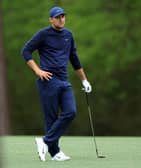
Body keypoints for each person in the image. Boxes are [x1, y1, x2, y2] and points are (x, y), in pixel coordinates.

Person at [21, 6, 92, 161]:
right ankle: (55, 153)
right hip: (48, 81)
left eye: (63, 16)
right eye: (57, 17)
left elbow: (74, 59)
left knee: (71, 111)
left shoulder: (68, 35)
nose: (61, 19)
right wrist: (37, 71)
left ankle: (45, 141)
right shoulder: (43, 34)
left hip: (64, 81)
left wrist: (84, 80)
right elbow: (25, 51)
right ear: (51, 19)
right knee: (51, 118)